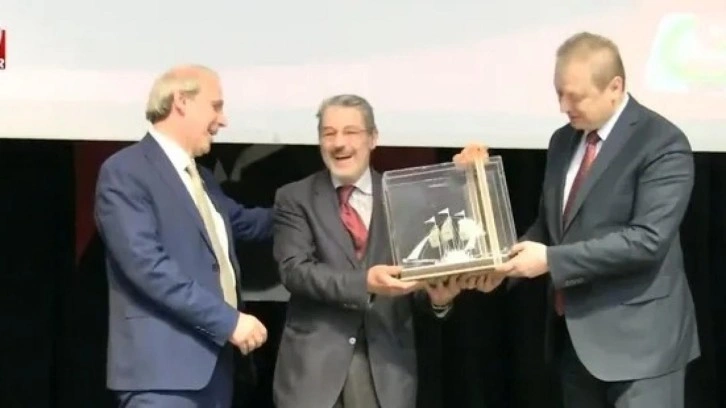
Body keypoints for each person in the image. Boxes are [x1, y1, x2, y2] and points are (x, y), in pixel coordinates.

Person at [456, 32, 700, 407]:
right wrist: (503, 264)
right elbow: (550, 226)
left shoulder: (662, 142)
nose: (563, 106)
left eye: (575, 96)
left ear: (614, 87)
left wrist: (550, 260)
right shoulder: (563, 141)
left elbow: (647, 241)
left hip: (643, 348)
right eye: (559, 94)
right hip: (575, 346)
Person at [272, 94, 484, 408]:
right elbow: (295, 271)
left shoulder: (405, 198)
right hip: (314, 375)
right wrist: (365, 283)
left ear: (373, 138)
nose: (339, 143)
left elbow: (417, 279)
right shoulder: (294, 197)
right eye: (329, 133)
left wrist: (438, 300)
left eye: (351, 132)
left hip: (387, 372)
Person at [94, 64, 272, 407]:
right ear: (181, 102)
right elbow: (148, 268)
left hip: (215, 373)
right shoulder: (125, 172)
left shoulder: (202, 178)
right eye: (216, 106)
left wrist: (314, 205)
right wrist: (229, 322)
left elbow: (245, 223)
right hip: (162, 378)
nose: (223, 120)